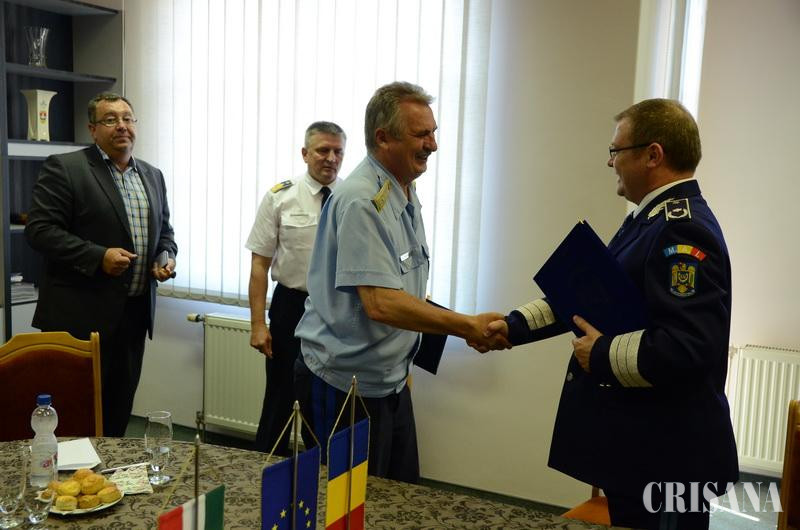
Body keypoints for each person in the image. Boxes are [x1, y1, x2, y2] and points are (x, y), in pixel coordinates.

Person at [488, 99, 738, 529]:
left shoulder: (681, 228)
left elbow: (688, 346)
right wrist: (511, 326)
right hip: (644, 449)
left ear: (653, 155)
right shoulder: (649, 219)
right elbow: (589, 295)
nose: (610, 162)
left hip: (672, 458)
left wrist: (601, 354)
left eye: (616, 151)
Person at [293, 81, 509, 484]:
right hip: (345, 386)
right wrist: (467, 326)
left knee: (398, 494)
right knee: (346, 502)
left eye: (433, 132)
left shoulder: (401, 190)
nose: (433, 145)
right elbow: (380, 303)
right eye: (421, 134)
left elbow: (404, 287)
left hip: (387, 381)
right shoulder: (363, 200)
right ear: (383, 138)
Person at [25, 92, 177, 437]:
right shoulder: (66, 168)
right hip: (79, 316)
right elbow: (40, 231)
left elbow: (165, 233)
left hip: (134, 315)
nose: (121, 125)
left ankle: (110, 469)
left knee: (118, 409)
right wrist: (98, 257)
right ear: (93, 129)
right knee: (74, 412)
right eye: (110, 119)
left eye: (127, 118)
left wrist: (165, 257)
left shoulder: (152, 175)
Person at [245, 121, 346, 455]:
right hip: (291, 307)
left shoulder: (353, 199)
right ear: (305, 153)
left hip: (337, 309)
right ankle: (264, 469)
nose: (331, 158)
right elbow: (259, 265)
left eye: (338, 151)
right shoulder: (281, 197)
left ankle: (324, 474)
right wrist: (258, 324)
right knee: (280, 398)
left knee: (329, 403)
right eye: (322, 150)